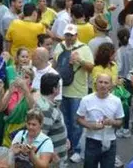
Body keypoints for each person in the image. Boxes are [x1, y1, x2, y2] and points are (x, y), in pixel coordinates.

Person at [54, 23, 94, 163]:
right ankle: (67, 146)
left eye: (71, 35)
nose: (69, 37)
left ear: (76, 35)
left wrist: (79, 60)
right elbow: (55, 65)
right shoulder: (59, 47)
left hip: (77, 92)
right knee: (64, 121)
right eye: (67, 35)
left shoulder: (84, 48)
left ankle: (77, 149)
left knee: (76, 123)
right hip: (61, 91)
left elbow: (91, 67)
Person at [76, 73, 124, 168]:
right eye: (100, 82)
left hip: (110, 141)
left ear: (110, 85)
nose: (103, 85)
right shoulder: (86, 100)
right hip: (92, 140)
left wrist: (112, 122)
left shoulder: (116, 101)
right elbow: (78, 119)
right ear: (95, 84)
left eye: (106, 83)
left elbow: (120, 122)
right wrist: (91, 126)